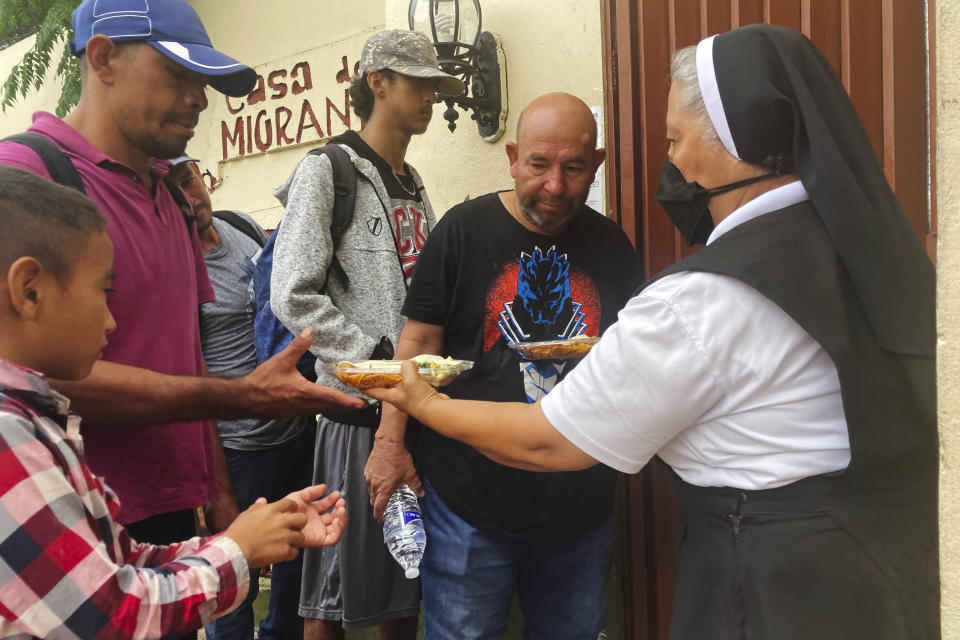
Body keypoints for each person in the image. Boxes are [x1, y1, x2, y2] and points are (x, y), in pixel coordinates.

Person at [368, 24, 939, 640]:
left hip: (775, 579)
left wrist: (420, 401)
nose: (671, 161)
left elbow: (548, 442)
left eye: (675, 138)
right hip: (878, 567)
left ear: (730, 144)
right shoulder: (861, 253)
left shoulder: (702, 297)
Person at [0, 0, 363, 561]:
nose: (198, 97)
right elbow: (25, 377)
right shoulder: (27, 180)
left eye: (204, 80)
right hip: (59, 509)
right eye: (178, 73)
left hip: (171, 513)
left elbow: (187, 355)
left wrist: (218, 494)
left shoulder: (172, 193)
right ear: (103, 58)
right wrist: (245, 397)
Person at [0, 164, 348, 640]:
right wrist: (238, 552)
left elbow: (120, 562)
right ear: (30, 290)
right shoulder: (9, 437)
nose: (112, 322)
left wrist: (248, 536)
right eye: (105, 293)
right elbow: (110, 617)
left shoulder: (36, 421)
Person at [364, 92, 644, 639]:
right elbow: (417, 341)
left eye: (574, 167)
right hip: (469, 503)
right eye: (538, 165)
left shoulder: (612, 246)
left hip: (578, 510)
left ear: (598, 165)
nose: (555, 186)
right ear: (513, 157)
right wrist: (390, 444)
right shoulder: (462, 232)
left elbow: (630, 357)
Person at [269, 29, 462, 640]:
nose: (432, 97)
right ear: (378, 82)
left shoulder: (412, 180)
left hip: (414, 411)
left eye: (436, 86)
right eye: (420, 84)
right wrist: (376, 357)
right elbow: (292, 294)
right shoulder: (328, 170)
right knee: (333, 592)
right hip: (356, 416)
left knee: (401, 585)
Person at [167, 155, 317, 640]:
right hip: (238, 449)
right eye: (174, 189)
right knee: (235, 581)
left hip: (294, 432)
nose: (190, 197)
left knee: (297, 563)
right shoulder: (176, 267)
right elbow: (193, 376)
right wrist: (220, 490)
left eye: (190, 179)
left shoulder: (242, 228)